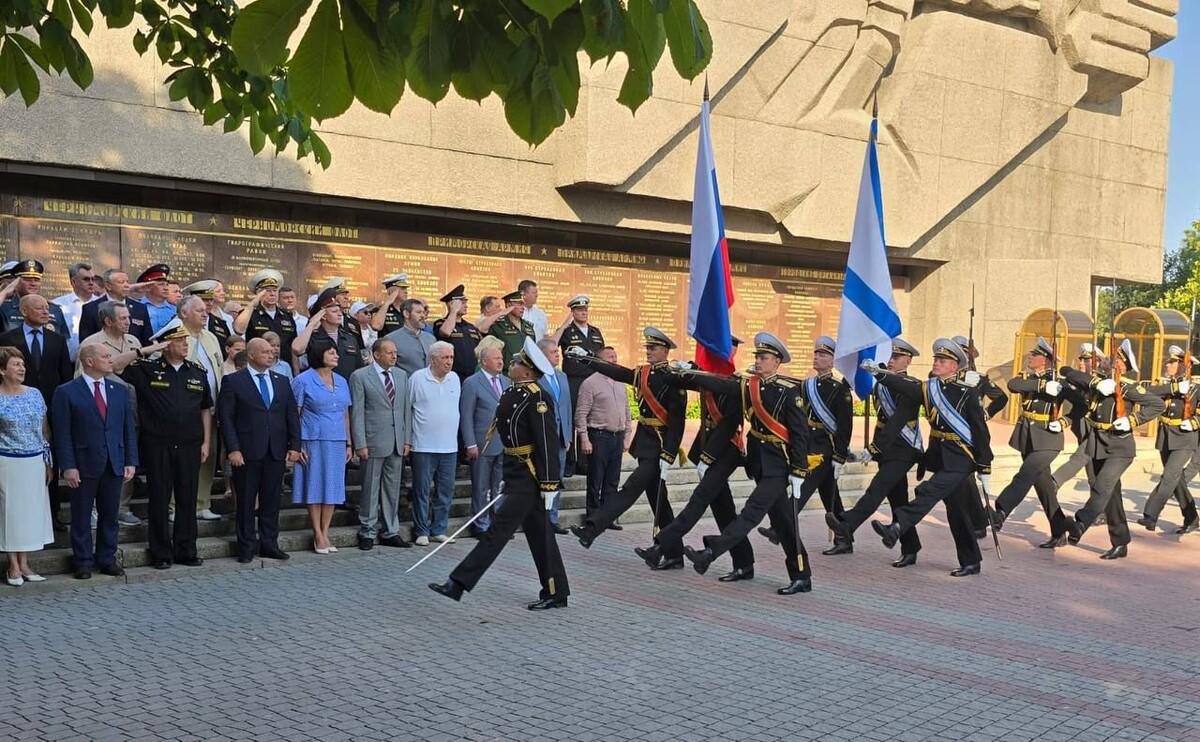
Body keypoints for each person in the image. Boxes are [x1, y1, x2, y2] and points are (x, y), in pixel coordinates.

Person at [429, 337, 570, 610]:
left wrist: (550, 485)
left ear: (528, 372)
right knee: (541, 536)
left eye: (517, 362)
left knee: (498, 530)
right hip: (516, 472)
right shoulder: (512, 391)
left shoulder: (539, 399)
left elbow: (546, 444)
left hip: (530, 478)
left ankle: (457, 583)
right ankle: (556, 591)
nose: (511, 364)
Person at [680, 333, 813, 595]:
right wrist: (690, 374)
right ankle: (802, 575)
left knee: (751, 512)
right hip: (760, 464)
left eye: (764, 358)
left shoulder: (788, 392)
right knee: (785, 523)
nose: (759, 361)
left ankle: (710, 553)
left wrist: (798, 471)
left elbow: (800, 434)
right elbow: (719, 385)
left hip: (778, 466)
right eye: (757, 357)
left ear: (777, 362)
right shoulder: (748, 386)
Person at [865, 339, 991, 577]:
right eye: (936, 359)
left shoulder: (967, 392)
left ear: (955, 366)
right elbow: (905, 387)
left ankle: (898, 525)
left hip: (961, 457)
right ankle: (971, 560)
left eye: (942, 361)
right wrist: (879, 373)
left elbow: (980, 431)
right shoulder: (930, 388)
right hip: (941, 456)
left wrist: (985, 466)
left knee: (929, 490)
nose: (936, 363)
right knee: (957, 511)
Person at [634, 338, 755, 579]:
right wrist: (680, 368)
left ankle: (662, 546)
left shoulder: (737, 383)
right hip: (708, 449)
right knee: (724, 510)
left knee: (698, 502)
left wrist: (707, 458)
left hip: (725, 451)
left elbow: (729, 424)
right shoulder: (704, 376)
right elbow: (679, 379)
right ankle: (744, 562)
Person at [567, 327, 684, 550]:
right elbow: (618, 372)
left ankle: (591, 529)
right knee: (659, 501)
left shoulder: (674, 379)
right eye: (647, 347)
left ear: (665, 351)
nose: (648, 351)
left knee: (629, 490)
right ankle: (672, 552)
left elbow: (677, 422)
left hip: (659, 447)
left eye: (653, 348)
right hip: (645, 445)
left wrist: (669, 453)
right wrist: (588, 360)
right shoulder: (644, 373)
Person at [120, 319, 213, 570]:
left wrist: (206, 441)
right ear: (166, 344)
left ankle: (186, 550)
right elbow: (115, 367)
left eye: (185, 340)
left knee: (187, 498)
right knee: (159, 498)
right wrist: (147, 350)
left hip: (190, 444)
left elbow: (205, 409)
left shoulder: (197, 371)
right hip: (158, 444)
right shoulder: (145, 369)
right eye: (179, 341)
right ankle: (161, 552)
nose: (185, 345)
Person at [1059, 340, 1164, 558]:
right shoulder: (1098, 381)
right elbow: (1067, 371)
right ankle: (1121, 542)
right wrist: (1097, 384)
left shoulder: (1128, 387)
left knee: (1102, 486)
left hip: (1119, 446)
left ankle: (1080, 523)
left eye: (1110, 358)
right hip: (1097, 442)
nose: (1104, 359)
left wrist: (1133, 420)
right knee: (1111, 495)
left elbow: (1157, 404)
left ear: (1121, 365)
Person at [827, 339, 925, 567]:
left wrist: (874, 447)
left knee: (878, 487)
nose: (890, 361)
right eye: (890, 357)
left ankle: (848, 523)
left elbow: (897, 421)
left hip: (904, 448)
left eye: (896, 358)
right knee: (898, 499)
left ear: (907, 361)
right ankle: (910, 548)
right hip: (888, 450)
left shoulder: (911, 386)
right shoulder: (882, 382)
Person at [52, 344, 138, 579]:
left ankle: (107, 558)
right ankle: (82, 561)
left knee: (110, 514)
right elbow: (62, 433)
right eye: (105, 356)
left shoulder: (120, 390)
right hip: (83, 462)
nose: (111, 360)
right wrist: (68, 466)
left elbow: (128, 428)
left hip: (114, 461)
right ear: (89, 361)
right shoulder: (67, 391)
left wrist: (130, 460)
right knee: (80, 516)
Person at [217, 337, 301, 563]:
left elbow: (291, 414)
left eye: (272, 351)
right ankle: (246, 546)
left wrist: (295, 445)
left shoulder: (282, 381)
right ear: (251, 354)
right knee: (245, 502)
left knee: (271, 501)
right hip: (246, 451)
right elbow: (226, 418)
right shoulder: (234, 381)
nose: (271, 354)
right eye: (264, 351)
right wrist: (233, 449)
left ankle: (269, 543)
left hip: (275, 450)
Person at [771, 336, 852, 555]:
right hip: (809, 442)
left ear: (833, 361)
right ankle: (845, 537)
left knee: (803, 486)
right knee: (829, 495)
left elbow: (845, 426)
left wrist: (840, 455)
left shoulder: (839, 390)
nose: (817, 358)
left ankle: (779, 528)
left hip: (825, 446)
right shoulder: (808, 384)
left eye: (823, 355)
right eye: (816, 354)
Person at [989, 337, 1071, 548]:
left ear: (1045, 360)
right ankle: (1059, 531)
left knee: (1024, 475)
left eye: (1035, 355)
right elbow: (1013, 385)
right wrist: (1043, 386)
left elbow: (1081, 407)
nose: (1031, 358)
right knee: (1045, 490)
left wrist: (1063, 422)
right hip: (1027, 436)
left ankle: (1000, 511)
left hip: (1048, 438)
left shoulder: (1060, 383)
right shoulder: (1029, 378)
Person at [0, 295, 73, 529]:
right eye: (39, 308)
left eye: (47, 308)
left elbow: (65, 377)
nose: (45, 312)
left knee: (50, 459)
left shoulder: (56, 339)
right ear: (24, 311)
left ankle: (52, 512)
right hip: (14, 406)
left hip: (50, 406)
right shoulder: (7, 339)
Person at [291, 338, 353, 554]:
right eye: (331, 352)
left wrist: (348, 442)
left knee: (333, 488)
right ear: (319, 354)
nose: (336, 355)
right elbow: (295, 414)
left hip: (336, 440)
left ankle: (326, 532)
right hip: (313, 439)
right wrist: (296, 445)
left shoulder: (342, 381)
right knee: (315, 486)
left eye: (336, 352)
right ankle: (317, 534)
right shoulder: (303, 380)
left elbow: (345, 413)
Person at [350, 338, 412, 550]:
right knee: (370, 487)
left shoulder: (402, 376)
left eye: (395, 352)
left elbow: (405, 410)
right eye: (389, 352)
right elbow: (357, 412)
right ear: (376, 354)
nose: (394, 356)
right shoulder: (360, 376)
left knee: (392, 488)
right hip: (373, 439)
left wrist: (407, 440)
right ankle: (367, 530)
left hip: (396, 440)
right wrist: (360, 442)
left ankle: (390, 530)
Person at [0, 346, 54, 586]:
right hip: (7, 461)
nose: (21, 368)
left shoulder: (34, 393)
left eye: (22, 364)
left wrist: (47, 461)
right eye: (15, 364)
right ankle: (12, 565)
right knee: (10, 514)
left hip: (34, 460)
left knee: (31, 512)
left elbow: (44, 431)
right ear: (2, 370)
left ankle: (25, 563)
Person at [1137, 345, 1200, 534]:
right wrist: (1173, 388)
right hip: (1165, 437)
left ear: (1184, 365)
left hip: (1185, 437)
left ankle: (1151, 515)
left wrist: (1194, 422)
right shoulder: (1167, 385)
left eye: (1172, 362)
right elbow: (1146, 392)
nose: (1167, 364)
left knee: (1169, 476)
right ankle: (1192, 518)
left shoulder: (1196, 387)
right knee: (1176, 479)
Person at [953, 334, 1009, 539]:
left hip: (972, 434)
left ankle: (980, 521)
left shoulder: (978, 378)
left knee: (966, 479)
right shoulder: (944, 377)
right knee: (962, 480)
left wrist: (987, 413)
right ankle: (981, 520)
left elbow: (1001, 398)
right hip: (952, 434)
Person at [406, 341, 461, 545]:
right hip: (423, 445)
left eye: (451, 357)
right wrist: (408, 440)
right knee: (421, 490)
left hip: (449, 446)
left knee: (445, 490)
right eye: (445, 358)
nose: (449, 362)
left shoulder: (455, 379)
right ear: (433, 359)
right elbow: (408, 409)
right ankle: (421, 530)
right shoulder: (418, 379)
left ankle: (439, 528)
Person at [179, 296, 226, 522]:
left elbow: (219, 369)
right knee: (184, 459)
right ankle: (174, 505)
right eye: (199, 310)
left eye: (205, 310)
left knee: (209, 456)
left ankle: (202, 503)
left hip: (212, 408)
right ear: (183, 313)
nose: (205, 313)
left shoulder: (210, 337)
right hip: (184, 411)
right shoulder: (174, 335)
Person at [574, 345, 632, 522]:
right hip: (599, 436)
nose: (614, 360)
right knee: (596, 479)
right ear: (600, 361)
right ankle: (593, 517)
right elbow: (581, 413)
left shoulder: (620, 382)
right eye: (609, 358)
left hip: (617, 436)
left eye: (615, 357)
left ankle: (607, 517)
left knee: (612, 480)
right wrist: (584, 439)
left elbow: (627, 410)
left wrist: (627, 435)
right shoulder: (590, 383)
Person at [459, 340, 510, 537]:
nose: (501, 361)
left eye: (501, 358)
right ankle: (480, 523)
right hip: (482, 443)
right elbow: (466, 415)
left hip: (502, 443)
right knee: (481, 486)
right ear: (484, 361)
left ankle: (496, 522)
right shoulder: (472, 383)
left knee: (498, 485)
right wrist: (470, 443)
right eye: (496, 358)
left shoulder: (506, 382)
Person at [536, 338, 572, 534]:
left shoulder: (562, 376)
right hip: (543, 436)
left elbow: (566, 407)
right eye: (552, 352)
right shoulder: (536, 377)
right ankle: (538, 519)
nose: (557, 355)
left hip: (560, 437)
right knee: (542, 478)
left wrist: (568, 434)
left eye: (557, 351)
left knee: (556, 479)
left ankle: (553, 518)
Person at [292, 288, 365, 381]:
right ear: (323, 316)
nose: (339, 314)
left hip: (345, 389)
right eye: (334, 311)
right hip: (321, 388)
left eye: (339, 311)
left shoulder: (350, 339)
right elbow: (297, 349)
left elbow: (359, 369)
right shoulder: (314, 337)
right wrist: (312, 323)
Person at [234, 270, 298, 371]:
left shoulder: (286, 316)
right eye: (268, 291)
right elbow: (238, 329)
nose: (272, 294)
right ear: (259, 293)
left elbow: (293, 347)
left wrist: (296, 371)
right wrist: (253, 303)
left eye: (275, 290)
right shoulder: (251, 314)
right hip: (258, 368)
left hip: (282, 368)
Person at [554, 295, 606, 410]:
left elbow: (602, 354)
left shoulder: (595, 332)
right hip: (574, 380)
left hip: (593, 378)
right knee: (574, 412)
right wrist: (562, 327)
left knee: (594, 414)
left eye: (585, 310)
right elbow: (552, 345)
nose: (584, 313)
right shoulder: (566, 331)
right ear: (572, 312)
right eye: (580, 310)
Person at [78, 268, 154, 346]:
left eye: (127, 282)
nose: (127, 285)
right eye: (121, 282)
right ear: (108, 286)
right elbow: (86, 343)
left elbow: (148, 340)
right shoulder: (91, 309)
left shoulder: (140, 308)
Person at [0, 260, 69, 338]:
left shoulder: (54, 310)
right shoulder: (4, 308)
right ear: (16, 282)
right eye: (28, 280)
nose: (33, 284)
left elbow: (65, 342)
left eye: (36, 280)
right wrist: (4, 293)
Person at [434, 284, 483, 380]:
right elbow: (446, 332)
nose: (466, 306)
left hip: (472, 376)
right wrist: (453, 311)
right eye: (462, 303)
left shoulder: (470, 327)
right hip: (451, 375)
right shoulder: (441, 323)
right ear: (452, 304)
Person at [51, 261, 98, 361]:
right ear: (73, 282)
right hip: (66, 361)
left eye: (93, 279)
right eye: (86, 279)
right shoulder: (58, 305)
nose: (91, 282)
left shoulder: (101, 304)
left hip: (95, 362)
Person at [383, 298, 434, 377]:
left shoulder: (431, 339)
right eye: (418, 312)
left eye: (424, 312)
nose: (423, 316)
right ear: (406, 314)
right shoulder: (391, 339)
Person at [488, 290, 536, 368]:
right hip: (507, 371)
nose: (522, 308)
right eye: (519, 304)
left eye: (523, 304)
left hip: (526, 371)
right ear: (508, 305)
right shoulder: (498, 325)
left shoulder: (528, 327)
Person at [181, 280, 232, 353]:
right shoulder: (181, 322)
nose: (209, 303)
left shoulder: (221, 324)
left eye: (211, 300)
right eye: (205, 300)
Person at [134, 264, 176, 335]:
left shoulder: (174, 309)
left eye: (167, 284)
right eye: (161, 284)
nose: (166, 288)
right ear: (148, 286)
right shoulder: (136, 308)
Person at [370, 273, 409, 337]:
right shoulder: (381, 310)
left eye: (406, 289)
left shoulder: (408, 310)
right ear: (391, 291)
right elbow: (376, 326)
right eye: (402, 288)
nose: (406, 292)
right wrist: (387, 303)